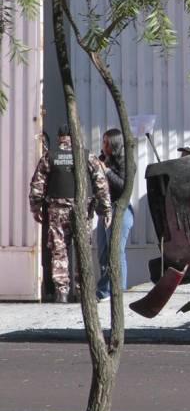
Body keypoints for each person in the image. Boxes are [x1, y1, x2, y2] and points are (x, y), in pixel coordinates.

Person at [29, 124, 112, 303]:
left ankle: (62, 293)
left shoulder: (50, 156)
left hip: (57, 212)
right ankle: (83, 292)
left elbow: (37, 185)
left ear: (59, 138)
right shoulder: (86, 156)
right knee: (82, 250)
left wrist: (35, 208)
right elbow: (101, 184)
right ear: (75, 136)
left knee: (59, 251)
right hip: (82, 211)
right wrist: (106, 209)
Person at [96, 128, 136, 302]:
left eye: (107, 142)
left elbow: (123, 186)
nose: (104, 145)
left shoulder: (127, 162)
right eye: (103, 141)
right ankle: (105, 290)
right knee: (103, 252)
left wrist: (106, 171)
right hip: (105, 210)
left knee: (116, 252)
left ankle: (117, 291)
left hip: (120, 210)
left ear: (115, 144)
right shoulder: (105, 160)